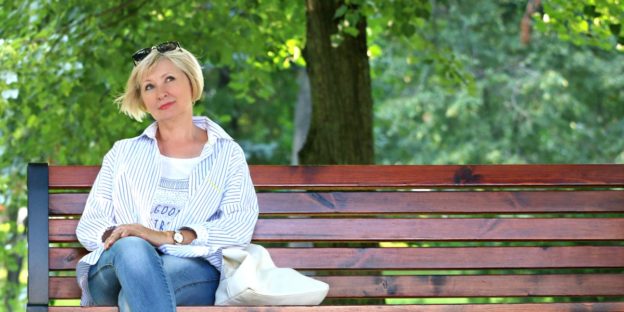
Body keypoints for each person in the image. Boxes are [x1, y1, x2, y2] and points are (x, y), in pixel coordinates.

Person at [75, 41, 259, 312]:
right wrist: (127, 235)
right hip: (115, 268)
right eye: (149, 86)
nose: (161, 93)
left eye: (169, 79)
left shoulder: (226, 154)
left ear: (192, 83)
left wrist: (168, 236)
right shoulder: (123, 153)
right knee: (133, 249)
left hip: (191, 268)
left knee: (134, 297)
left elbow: (238, 225)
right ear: (142, 99)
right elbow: (91, 223)